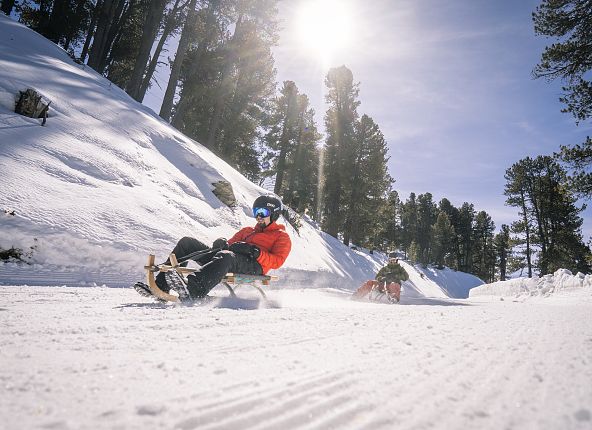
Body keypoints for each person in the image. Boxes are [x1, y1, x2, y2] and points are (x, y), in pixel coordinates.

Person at [138, 195, 291, 302]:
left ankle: (194, 289)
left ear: (274, 214)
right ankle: (161, 286)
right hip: (229, 259)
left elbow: (277, 261)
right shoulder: (247, 230)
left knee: (226, 256)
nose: (258, 217)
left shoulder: (281, 236)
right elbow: (229, 246)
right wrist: (222, 243)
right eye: (255, 212)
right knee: (187, 243)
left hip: (254, 266)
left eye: (262, 213)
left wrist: (255, 252)